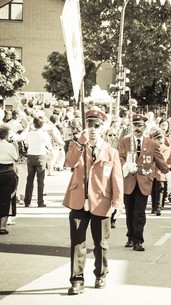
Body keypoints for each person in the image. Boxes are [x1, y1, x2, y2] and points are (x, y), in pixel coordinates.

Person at [63, 110, 124, 295]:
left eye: (96, 126)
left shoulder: (111, 152)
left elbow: (117, 179)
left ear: (103, 128)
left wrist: (117, 203)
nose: (92, 129)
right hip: (79, 201)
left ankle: (101, 273)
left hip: (101, 201)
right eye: (89, 125)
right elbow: (69, 163)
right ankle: (77, 280)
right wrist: (79, 144)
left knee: (101, 243)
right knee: (77, 243)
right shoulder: (78, 147)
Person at [118, 114, 171, 252]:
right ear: (132, 126)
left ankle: (138, 240)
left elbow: (160, 160)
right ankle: (130, 236)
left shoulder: (151, 143)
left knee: (140, 212)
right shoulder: (124, 142)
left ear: (144, 127)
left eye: (140, 126)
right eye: (135, 125)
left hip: (144, 181)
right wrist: (124, 165)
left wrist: (168, 174)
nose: (137, 128)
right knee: (130, 211)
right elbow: (119, 158)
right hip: (129, 181)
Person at [23, 116, 52, 207]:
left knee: (29, 179)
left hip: (31, 155)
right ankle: (40, 201)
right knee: (40, 180)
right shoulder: (44, 134)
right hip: (41, 155)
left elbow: (26, 143)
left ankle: (27, 201)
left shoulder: (30, 133)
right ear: (42, 124)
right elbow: (49, 145)